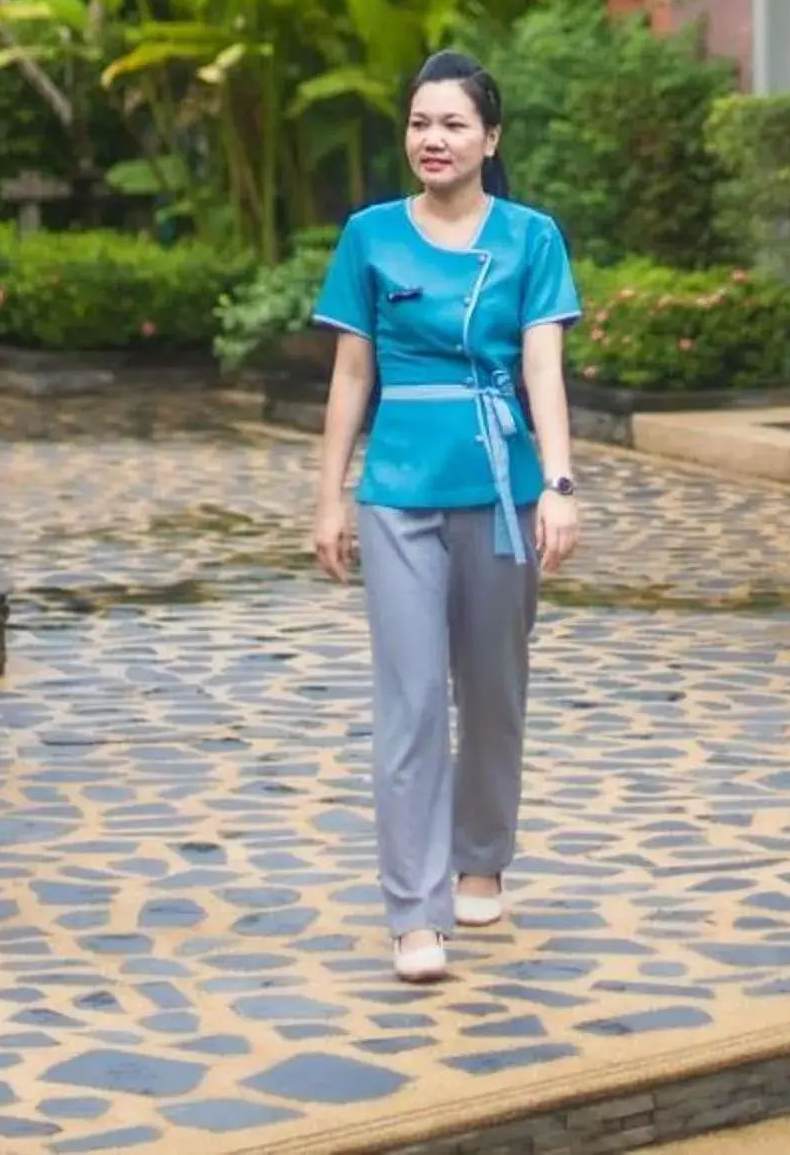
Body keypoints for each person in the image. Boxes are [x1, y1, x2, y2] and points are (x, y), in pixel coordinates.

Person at [311, 50, 584, 984]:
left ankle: (480, 856)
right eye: (421, 123)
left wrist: (558, 482)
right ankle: (415, 914)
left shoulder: (532, 238)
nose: (434, 139)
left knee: (495, 690)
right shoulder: (370, 237)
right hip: (397, 495)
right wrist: (329, 495)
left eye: (454, 124)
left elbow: (543, 364)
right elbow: (353, 372)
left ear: (490, 139)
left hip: (503, 494)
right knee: (414, 702)